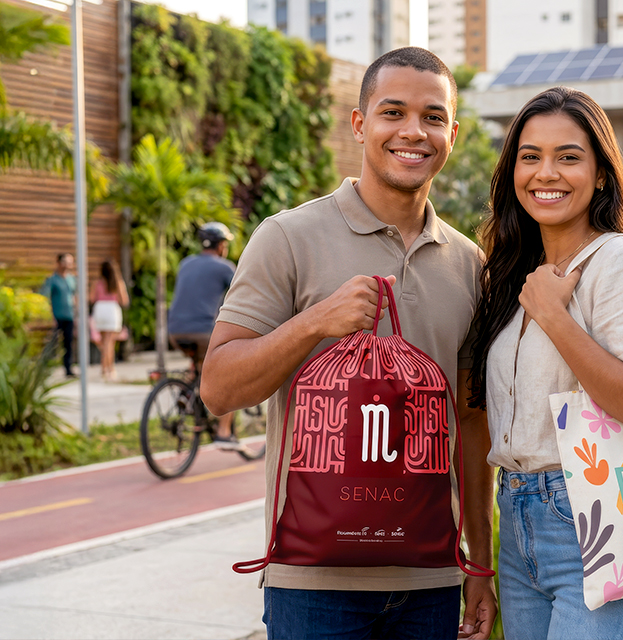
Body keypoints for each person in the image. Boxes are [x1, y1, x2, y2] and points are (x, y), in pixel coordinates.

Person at [199, 48, 496, 640]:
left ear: (453, 134)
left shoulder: (470, 264)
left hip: (430, 582)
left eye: (433, 117)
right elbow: (219, 389)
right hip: (315, 583)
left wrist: (479, 564)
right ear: (360, 123)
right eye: (393, 112)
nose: (414, 132)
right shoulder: (287, 237)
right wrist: (314, 323)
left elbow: (469, 422)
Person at [469, 86, 623, 640]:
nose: (546, 172)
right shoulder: (512, 274)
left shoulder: (619, 260)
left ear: (602, 174)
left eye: (568, 156)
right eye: (530, 156)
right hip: (516, 522)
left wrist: (556, 319)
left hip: (598, 514)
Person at [168, 221, 237, 449]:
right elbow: (242, 296)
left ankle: (187, 394)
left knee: (199, 363)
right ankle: (224, 433)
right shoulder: (225, 267)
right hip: (203, 331)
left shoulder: (185, 263)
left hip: (175, 331)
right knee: (233, 375)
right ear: (221, 246)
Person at [90, 260, 129, 382]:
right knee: (109, 342)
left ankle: (104, 368)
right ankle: (110, 369)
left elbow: (91, 298)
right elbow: (125, 301)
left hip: (100, 309)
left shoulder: (97, 283)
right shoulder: (117, 283)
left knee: (104, 341)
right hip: (112, 309)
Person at [40, 253, 78, 377]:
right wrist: (50, 317)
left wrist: (77, 313)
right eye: (65, 262)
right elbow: (45, 297)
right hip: (57, 316)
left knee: (68, 343)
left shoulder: (72, 279)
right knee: (52, 344)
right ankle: (44, 368)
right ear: (59, 263)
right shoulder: (52, 280)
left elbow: (74, 296)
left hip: (69, 316)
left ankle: (68, 369)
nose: (68, 265)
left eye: (70, 262)